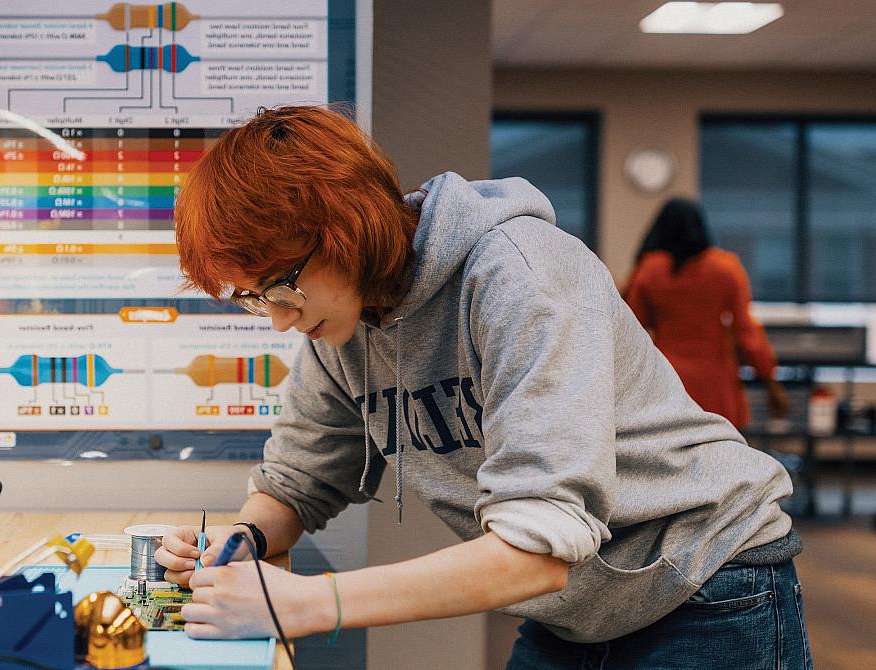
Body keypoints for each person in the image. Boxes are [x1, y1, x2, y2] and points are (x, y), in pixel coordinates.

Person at [157, 105, 810, 669]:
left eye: (280, 285)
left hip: (708, 581)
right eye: (251, 298)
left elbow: (538, 549)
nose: (276, 319)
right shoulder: (341, 322)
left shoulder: (520, 276)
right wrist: (244, 538)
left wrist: (310, 604)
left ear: (346, 228)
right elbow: (297, 482)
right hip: (578, 610)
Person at [622, 199, 790, 429]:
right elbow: (746, 332)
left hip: (668, 378)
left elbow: (632, 329)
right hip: (715, 380)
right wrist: (771, 382)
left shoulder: (649, 270)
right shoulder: (725, 268)